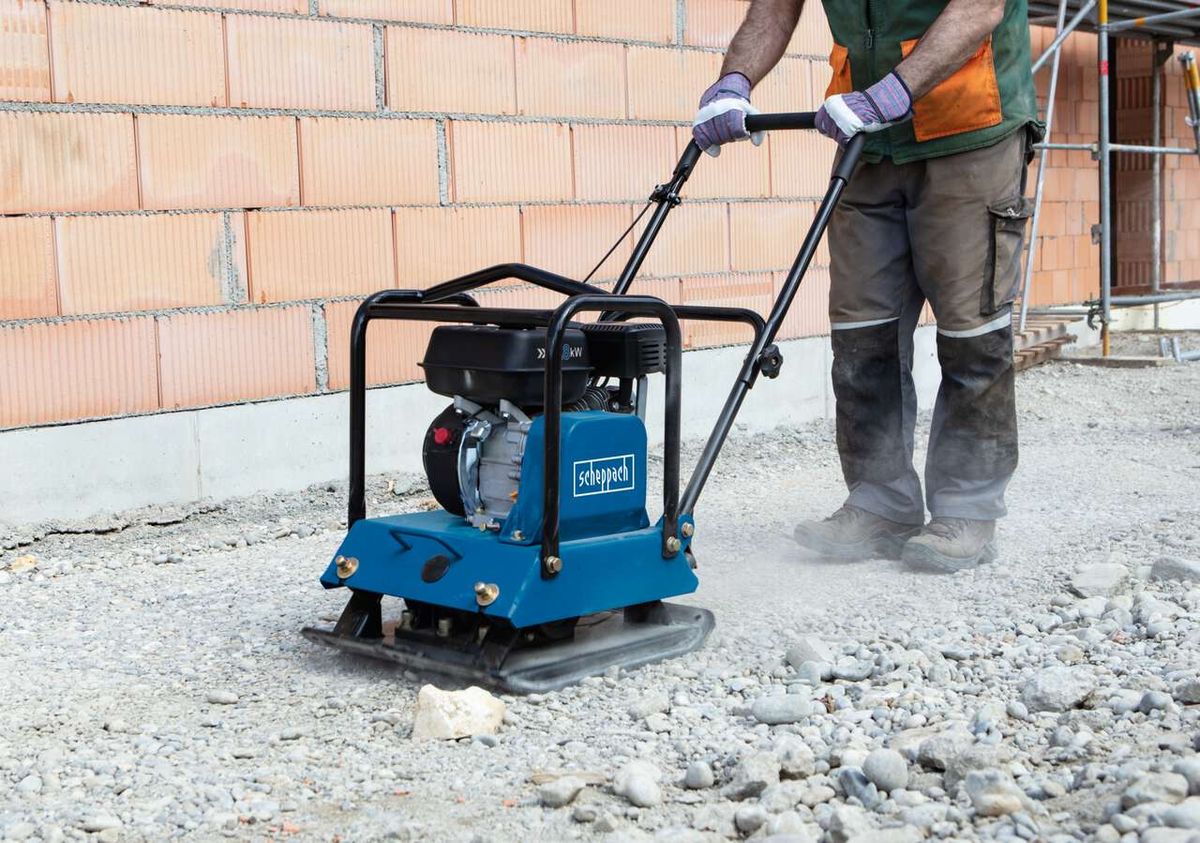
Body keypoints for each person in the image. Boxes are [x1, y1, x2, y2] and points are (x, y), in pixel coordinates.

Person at [693, 0, 1040, 573]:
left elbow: (981, 6)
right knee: (861, 331)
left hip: (969, 125)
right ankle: (882, 501)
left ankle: (968, 510)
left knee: (970, 329)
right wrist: (733, 81)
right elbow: (775, 7)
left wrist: (893, 91)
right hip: (871, 139)